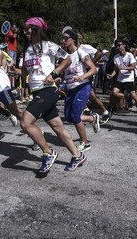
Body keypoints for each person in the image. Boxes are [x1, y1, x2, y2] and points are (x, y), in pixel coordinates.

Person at [18, 17, 86, 173]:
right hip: (37, 90)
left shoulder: (48, 45)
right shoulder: (27, 49)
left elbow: (67, 59)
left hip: (48, 90)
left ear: (36, 29)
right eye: (24, 29)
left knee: (25, 123)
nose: (25, 32)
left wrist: (54, 73)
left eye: (28, 28)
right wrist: (11, 70)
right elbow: (24, 72)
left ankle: (48, 153)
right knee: (58, 127)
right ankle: (77, 155)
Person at [59, 28, 100, 152]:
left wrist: (83, 76)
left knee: (76, 116)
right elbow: (62, 71)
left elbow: (93, 69)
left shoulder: (80, 53)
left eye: (66, 38)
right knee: (68, 117)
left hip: (82, 87)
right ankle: (92, 118)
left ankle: (85, 143)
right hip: (70, 89)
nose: (63, 41)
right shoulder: (64, 55)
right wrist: (58, 79)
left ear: (73, 40)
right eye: (62, 38)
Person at [106, 39, 137, 117]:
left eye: (119, 45)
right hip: (120, 79)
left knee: (134, 95)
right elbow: (116, 69)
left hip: (129, 79)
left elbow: (133, 67)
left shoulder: (129, 55)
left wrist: (123, 68)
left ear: (124, 46)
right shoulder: (116, 57)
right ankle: (127, 97)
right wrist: (111, 75)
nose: (118, 47)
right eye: (117, 45)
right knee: (114, 92)